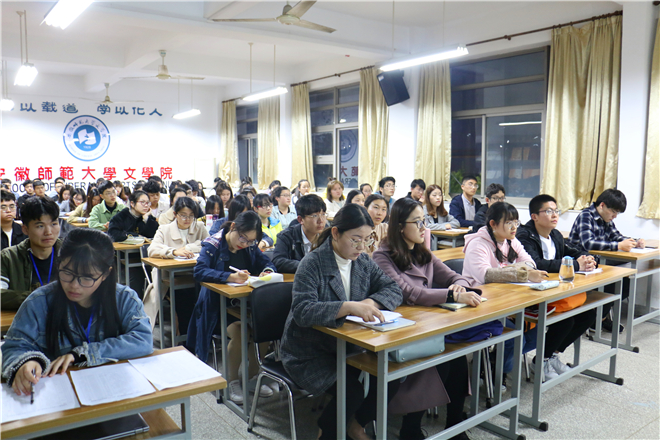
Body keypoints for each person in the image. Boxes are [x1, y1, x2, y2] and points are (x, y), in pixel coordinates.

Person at [280, 204, 403, 440]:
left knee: (391, 377)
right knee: (351, 390)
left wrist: (369, 302)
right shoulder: (312, 263)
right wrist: (348, 307)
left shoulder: (362, 262)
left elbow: (393, 289)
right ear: (335, 233)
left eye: (367, 239)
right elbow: (303, 311)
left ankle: (356, 425)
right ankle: (327, 432)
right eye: (356, 239)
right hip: (310, 352)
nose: (362, 247)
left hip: (350, 346)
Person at [373, 198, 480, 440]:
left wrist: (459, 286)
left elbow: (454, 276)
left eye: (425, 221)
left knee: (457, 357)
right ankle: (410, 428)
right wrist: (452, 294)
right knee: (438, 360)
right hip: (400, 329)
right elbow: (409, 293)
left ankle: (455, 423)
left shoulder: (423, 252)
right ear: (401, 227)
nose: (424, 228)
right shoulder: (382, 256)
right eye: (418, 222)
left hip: (428, 324)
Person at [2, 228, 153, 396]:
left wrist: (85, 354)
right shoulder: (39, 302)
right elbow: (14, 347)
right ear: (59, 264)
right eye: (67, 273)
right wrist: (27, 361)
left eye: (87, 278)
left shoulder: (124, 299)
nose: (74, 285)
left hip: (114, 390)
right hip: (57, 394)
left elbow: (143, 339)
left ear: (105, 274)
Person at [187, 211, 276, 403]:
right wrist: (229, 277)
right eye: (243, 238)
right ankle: (232, 380)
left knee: (264, 330)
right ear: (233, 227)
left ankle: (252, 377)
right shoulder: (213, 245)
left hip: (242, 306)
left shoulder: (250, 247)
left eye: (250, 241)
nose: (245, 244)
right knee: (241, 331)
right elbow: (199, 271)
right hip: (216, 308)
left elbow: (267, 263)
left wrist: (267, 272)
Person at [517, 194, 598, 381]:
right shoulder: (525, 236)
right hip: (532, 293)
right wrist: (576, 265)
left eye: (556, 211)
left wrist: (588, 258)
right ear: (534, 216)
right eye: (548, 211)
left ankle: (551, 355)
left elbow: (573, 250)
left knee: (587, 315)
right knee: (566, 320)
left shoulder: (555, 234)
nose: (555, 215)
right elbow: (536, 264)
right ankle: (541, 361)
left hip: (555, 289)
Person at [462, 202, 547, 381]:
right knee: (516, 338)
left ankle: (495, 360)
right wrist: (522, 273)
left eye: (516, 222)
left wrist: (519, 270)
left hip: (506, 300)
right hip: (479, 304)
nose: (514, 227)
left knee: (539, 331)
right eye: (509, 222)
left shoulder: (511, 240)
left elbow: (530, 262)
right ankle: (496, 371)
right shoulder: (478, 244)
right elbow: (486, 275)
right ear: (493, 224)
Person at [567, 188, 643, 332]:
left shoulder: (606, 219)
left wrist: (634, 241)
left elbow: (616, 236)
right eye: (613, 211)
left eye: (617, 213)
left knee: (625, 282)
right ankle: (596, 319)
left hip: (599, 263)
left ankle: (599, 318)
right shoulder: (586, 216)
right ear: (602, 205)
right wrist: (618, 246)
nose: (615, 216)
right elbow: (588, 244)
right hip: (582, 265)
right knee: (614, 283)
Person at [145, 197, 209, 331]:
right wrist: (173, 251)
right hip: (170, 276)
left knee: (207, 293)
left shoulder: (199, 227)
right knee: (184, 297)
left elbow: (209, 245)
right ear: (175, 214)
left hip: (194, 273)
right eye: (183, 215)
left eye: (191, 216)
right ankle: (186, 336)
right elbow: (152, 249)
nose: (188, 219)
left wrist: (190, 247)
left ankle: (200, 333)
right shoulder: (165, 229)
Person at [1, 197, 62, 310]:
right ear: (25, 229)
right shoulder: (9, 257)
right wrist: (39, 297)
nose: (48, 232)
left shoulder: (70, 254)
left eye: (54, 224)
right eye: (40, 226)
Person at [272, 194, 327, 273]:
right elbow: (278, 261)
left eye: (323, 214)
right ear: (301, 219)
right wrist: (309, 265)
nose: (321, 220)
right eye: (315, 216)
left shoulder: (328, 235)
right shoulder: (286, 236)